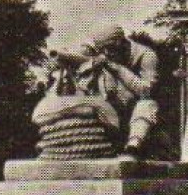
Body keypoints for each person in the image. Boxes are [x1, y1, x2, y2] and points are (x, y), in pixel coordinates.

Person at [69, 25, 161, 157]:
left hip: (138, 113)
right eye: (103, 50)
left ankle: (132, 147)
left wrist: (118, 69)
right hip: (112, 110)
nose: (106, 53)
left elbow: (147, 91)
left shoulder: (146, 55)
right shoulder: (105, 52)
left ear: (120, 43)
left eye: (110, 49)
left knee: (147, 104)